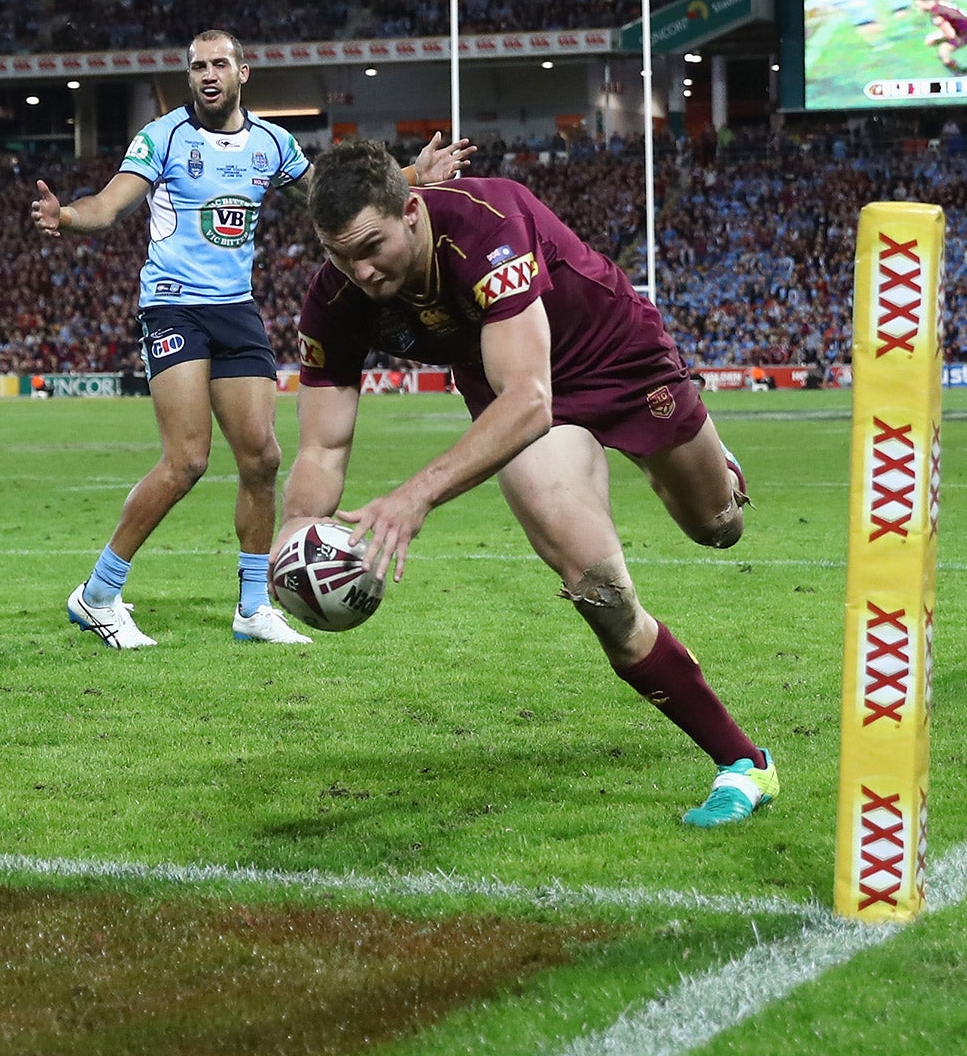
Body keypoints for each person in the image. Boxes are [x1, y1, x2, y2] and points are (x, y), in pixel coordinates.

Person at [282, 139, 768, 828]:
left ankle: (719, 475)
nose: (359, 271)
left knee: (718, 526)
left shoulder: (486, 220)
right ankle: (743, 762)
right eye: (339, 254)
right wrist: (292, 537)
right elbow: (322, 446)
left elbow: (530, 395)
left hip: (612, 359)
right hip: (519, 402)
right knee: (598, 592)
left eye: (371, 246)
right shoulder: (336, 299)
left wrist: (416, 495)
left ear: (412, 212)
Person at [31, 29, 469, 647]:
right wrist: (68, 217)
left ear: (243, 72)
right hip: (175, 307)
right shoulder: (163, 137)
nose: (207, 74)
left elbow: (332, 196)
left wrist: (409, 174)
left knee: (262, 460)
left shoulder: (271, 143)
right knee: (186, 460)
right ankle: (99, 593)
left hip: (236, 311)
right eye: (196, 66)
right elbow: (108, 207)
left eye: (218, 63)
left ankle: (254, 607)